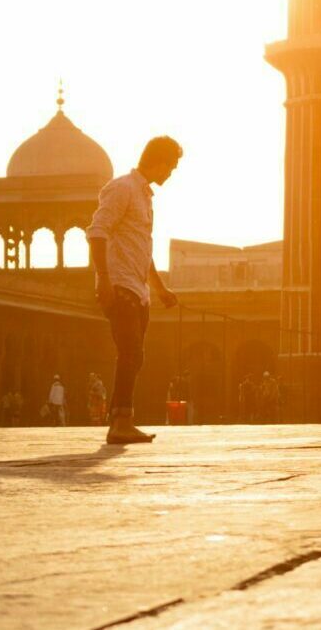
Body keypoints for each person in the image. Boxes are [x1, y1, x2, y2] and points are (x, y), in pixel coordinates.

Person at [88, 134, 184, 445]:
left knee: (135, 356)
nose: (171, 173)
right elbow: (97, 232)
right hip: (120, 285)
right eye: (171, 167)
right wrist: (104, 279)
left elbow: (142, 248)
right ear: (159, 162)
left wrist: (160, 288)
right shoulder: (123, 188)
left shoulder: (143, 196)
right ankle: (120, 423)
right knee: (130, 352)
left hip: (138, 288)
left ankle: (122, 420)